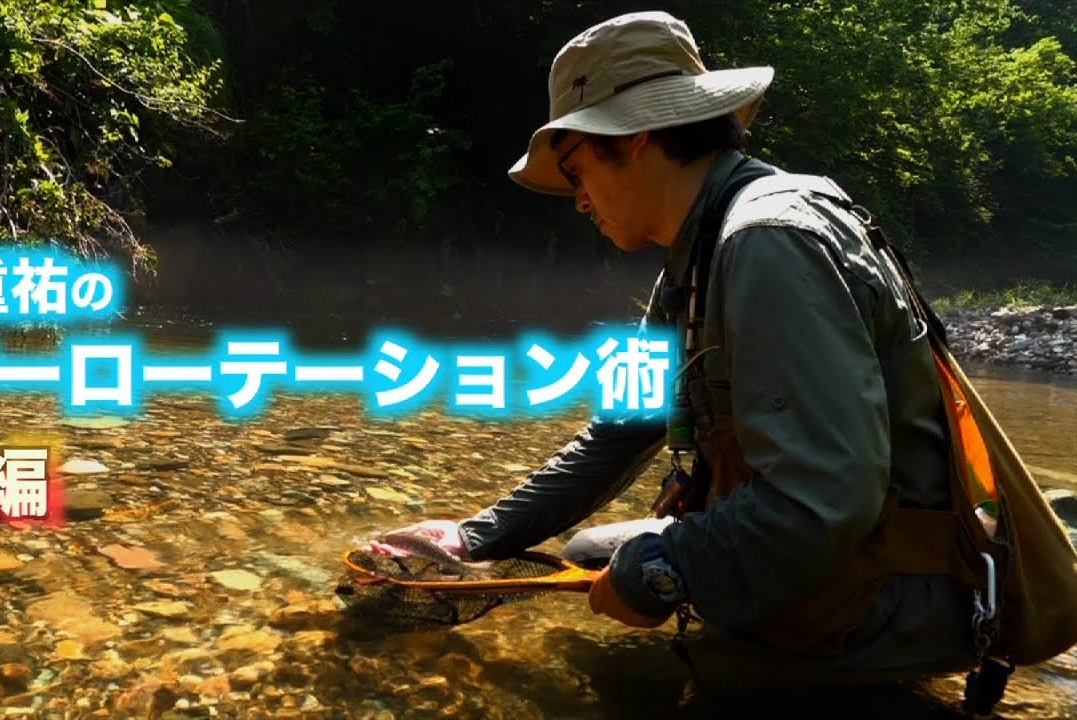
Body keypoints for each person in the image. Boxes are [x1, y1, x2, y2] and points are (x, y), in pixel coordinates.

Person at [371, 10, 988, 694]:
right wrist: (475, 536)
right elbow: (623, 428)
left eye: (575, 171)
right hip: (837, 560)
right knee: (587, 554)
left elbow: (822, 500)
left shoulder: (768, 242)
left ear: (634, 139)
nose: (578, 202)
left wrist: (659, 571)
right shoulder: (696, 258)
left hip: (888, 601)